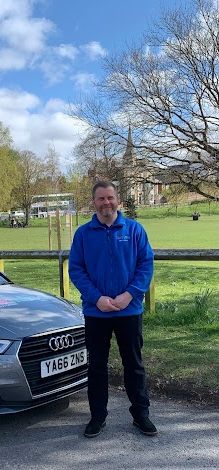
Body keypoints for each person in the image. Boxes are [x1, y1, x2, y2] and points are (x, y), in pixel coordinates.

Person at [69, 181, 157, 438]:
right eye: (100, 199)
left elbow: (145, 265)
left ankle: (141, 414)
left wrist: (129, 295)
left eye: (110, 198)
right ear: (93, 202)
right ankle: (98, 416)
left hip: (128, 311)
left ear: (117, 199)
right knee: (96, 366)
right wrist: (96, 299)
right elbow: (76, 269)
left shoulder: (134, 230)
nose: (106, 203)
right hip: (97, 313)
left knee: (134, 364)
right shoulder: (83, 234)